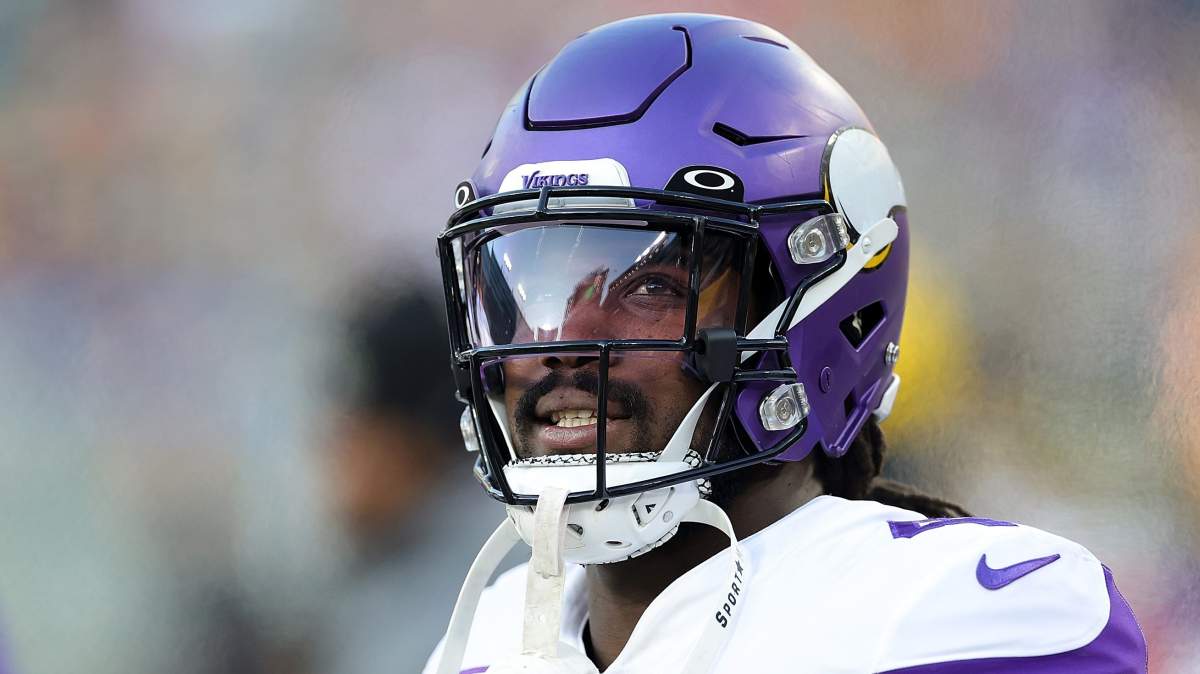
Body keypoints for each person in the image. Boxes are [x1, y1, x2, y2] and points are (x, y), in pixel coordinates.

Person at [423, 14, 1147, 674]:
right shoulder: (487, 635)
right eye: (529, 291)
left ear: (817, 311)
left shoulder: (966, 614)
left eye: (650, 287)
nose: (558, 344)